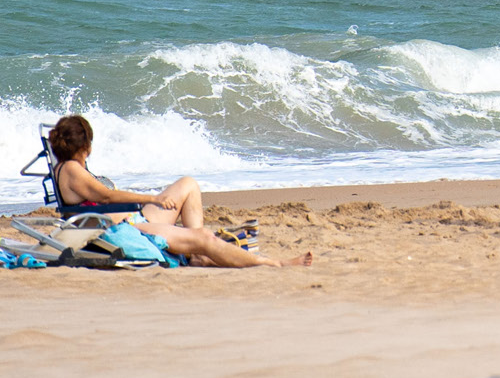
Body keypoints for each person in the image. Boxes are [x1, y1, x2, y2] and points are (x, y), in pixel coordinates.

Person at [47, 114, 311, 268]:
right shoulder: (72, 169)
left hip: (130, 220)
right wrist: (152, 198)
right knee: (206, 237)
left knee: (187, 184)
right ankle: (274, 264)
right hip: (118, 229)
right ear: (87, 145)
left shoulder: (68, 167)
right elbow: (105, 197)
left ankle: (195, 254)